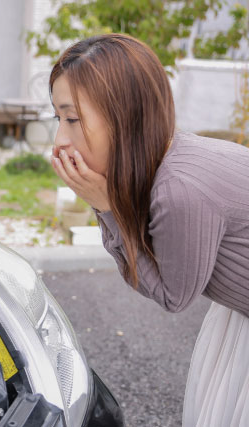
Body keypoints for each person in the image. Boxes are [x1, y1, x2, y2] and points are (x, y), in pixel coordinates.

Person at [47, 33, 249, 426]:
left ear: (124, 115)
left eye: (72, 118)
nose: (59, 139)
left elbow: (174, 295)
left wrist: (105, 207)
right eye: (58, 118)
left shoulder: (179, 189)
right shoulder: (173, 151)